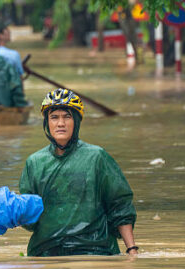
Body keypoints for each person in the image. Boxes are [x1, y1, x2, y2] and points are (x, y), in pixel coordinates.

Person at [19, 89, 138, 257]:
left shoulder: (97, 157)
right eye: (54, 117)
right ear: (47, 123)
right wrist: (13, 214)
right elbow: (30, 219)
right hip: (45, 252)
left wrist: (131, 249)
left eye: (67, 117)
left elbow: (120, 206)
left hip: (95, 250)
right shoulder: (34, 163)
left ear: (76, 122)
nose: (61, 123)